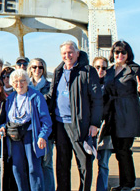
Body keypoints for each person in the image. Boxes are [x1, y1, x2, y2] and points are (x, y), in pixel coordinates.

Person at [46, 41, 103, 191]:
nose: (67, 55)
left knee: (84, 163)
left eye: (70, 52)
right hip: (60, 124)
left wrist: (95, 123)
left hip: (80, 125)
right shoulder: (58, 72)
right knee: (62, 163)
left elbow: (97, 99)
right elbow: (52, 96)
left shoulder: (87, 71)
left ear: (78, 53)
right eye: (64, 53)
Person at [102, 41, 140, 191]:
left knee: (124, 150)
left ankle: (129, 184)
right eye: (117, 52)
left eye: (123, 52)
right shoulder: (109, 71)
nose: (119, 55)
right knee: (119, 151)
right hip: (113, 115)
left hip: (128, 114)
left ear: (128, 54)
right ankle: (124, 183)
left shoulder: (135, 70)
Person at [0, 69, 53, 191]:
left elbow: (46, 119)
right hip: (14, 137)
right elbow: (6, 119)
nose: (19, 84)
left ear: (27, 81)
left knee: (33, 167)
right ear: (12, 83)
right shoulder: (10, 98)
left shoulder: (36, 96)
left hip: (31, 135)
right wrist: (2, 127)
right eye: (16, 81)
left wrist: (42, 135)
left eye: (22, 81)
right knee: (17, 167)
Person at [27, 58, 54, 191]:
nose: (37, 70)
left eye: (40, 67)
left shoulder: (50, 86)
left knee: (46, 163)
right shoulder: (25, 87)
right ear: (30, 69)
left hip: (45, 130)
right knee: (32, 165)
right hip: (29, 131)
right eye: (34, 67)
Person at [92, 56, 112, 191]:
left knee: (103, 163)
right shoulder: (85, 84)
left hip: (106, 129)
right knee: (86, 164)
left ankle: (101, 189)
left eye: (104, 68)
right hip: (89, 129)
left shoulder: (112, 86)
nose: (100, 70)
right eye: (97, 67)